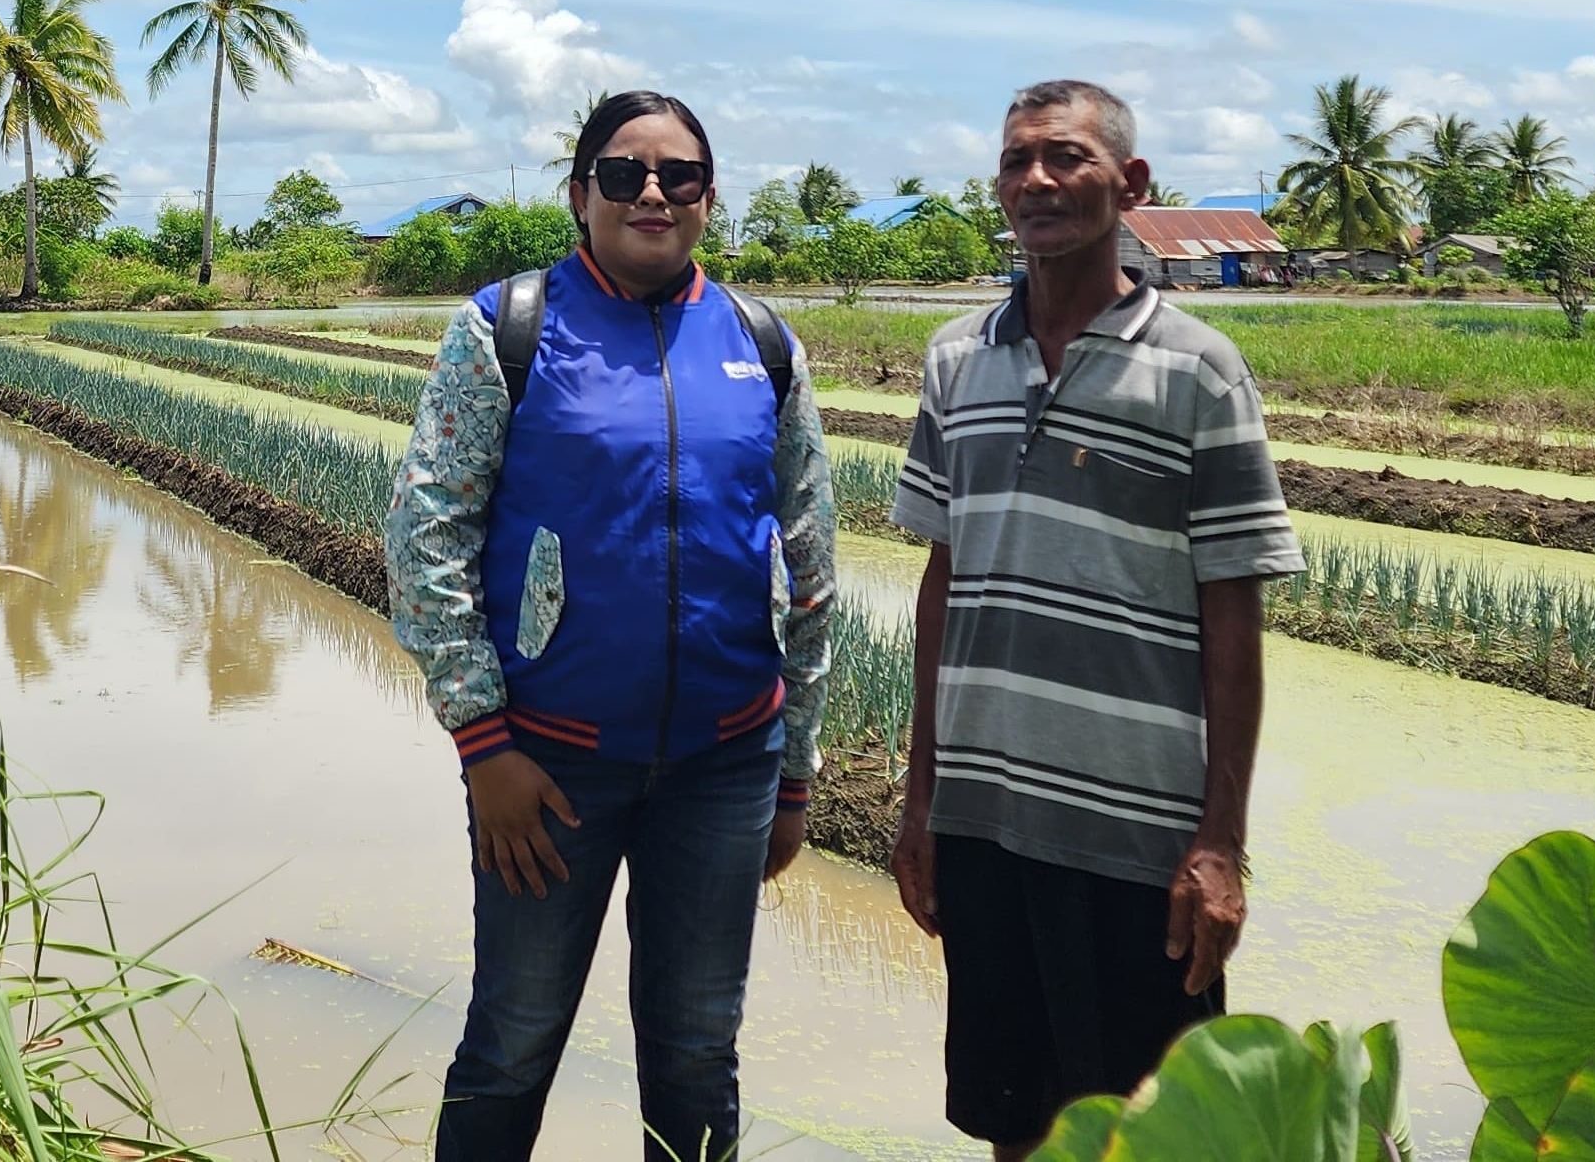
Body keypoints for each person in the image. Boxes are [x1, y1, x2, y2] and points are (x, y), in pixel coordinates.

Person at [385, 89, 838, 1162]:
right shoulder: (509, 326)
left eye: (677, 174)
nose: (651, 191)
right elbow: (423, 535)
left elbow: (809, 565)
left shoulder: (762, 344)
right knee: (511, 1039)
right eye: (624, 172)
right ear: (578, 192)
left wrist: (795, 771)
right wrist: (483, 743)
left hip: (725, 769)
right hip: (545, 773)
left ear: (707, 198)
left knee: (694, 1052)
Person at [886, 80, 1300, 1154]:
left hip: (1136, 840)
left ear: (1130, 182)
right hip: (982, 825)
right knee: (1011, 1120)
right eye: (1018, 159)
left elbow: (1232, 613)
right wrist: (920, 798)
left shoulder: (1199, 368)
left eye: (1065, 157)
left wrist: (1220, 842)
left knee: (1149, 1128)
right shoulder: (955, 359)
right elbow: (943, 582)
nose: (1037, 180)